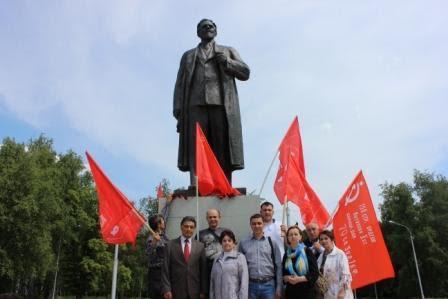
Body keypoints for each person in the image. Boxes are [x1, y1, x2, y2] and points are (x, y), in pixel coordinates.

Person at [173, 18, 250, 185]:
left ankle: (224, 182)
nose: (207, 27)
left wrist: (227, 62)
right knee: (196, 145)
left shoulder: (227, 51)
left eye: (211, 25)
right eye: (203, 26)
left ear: (216, 30)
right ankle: (196, 183)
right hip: (194, 105)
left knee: (221, 144)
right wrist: (178, 111)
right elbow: (179, 84)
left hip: (221, 104)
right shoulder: (188, 56)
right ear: (198, 32)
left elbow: (245, 72)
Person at [161, 216, 208, 299]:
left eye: (191, 227)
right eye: (186, 226)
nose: (188, 229)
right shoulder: (170, 245)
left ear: (194, 229)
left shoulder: (200, 246)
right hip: (175, 291)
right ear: (181, 227)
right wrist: (166, 289)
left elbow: (203, 271)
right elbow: (165, 269)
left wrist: (203, 291)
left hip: (195, 291)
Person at [238, 214, 282, 299]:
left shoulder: (272, 242)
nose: (256, 226)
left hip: (269, 286)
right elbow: (240, 267)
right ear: (250, 225)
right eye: (254, 223)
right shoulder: (243, 243)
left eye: (259, 223)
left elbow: (278, 266)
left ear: (263, 224)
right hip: (250, 286)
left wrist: (279, 287)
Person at [210, 229, 249, 299]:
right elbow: (212, 281)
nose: (227, 243)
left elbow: (244, 282)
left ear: (234, 243)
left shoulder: (240, 257)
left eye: (229, 240)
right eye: (224, 241)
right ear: (221, 243)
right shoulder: (217, 258)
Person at [282, 226, 318, 299]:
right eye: (290, 235)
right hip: (291, 292)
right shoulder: (286, 254)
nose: (293, 236)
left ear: (300, 237)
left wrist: (298, 279)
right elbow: (283, 274)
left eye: (296, 234)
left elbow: (315, 273)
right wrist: (288, 278)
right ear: (288, 238)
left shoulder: (307, 251)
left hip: (307, 292)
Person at [317, 230, 353, 299]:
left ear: (332, 239)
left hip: (340, 293)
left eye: (326, 238)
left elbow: (346, 274)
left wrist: (342, 291)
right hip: (327, 293)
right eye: (321, 239)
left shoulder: (340, 254)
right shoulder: (321, 256)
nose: (323, 241)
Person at [198, 208, 230, 278]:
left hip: (224, 270)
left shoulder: (227, 232)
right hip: (207, 272)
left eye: (215, 217)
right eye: (210, 217)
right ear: (207, 219)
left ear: (219, 218)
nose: (212, 219)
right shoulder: (200, 234)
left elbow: (233, 250)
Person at [147, 214, 170, 299]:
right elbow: (149, 255)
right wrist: (154, 243)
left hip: (165, 273)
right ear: (158, 224)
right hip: (156, 273)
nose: (164, 222)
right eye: (162, 221)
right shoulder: (151, 237)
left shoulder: (164, 236)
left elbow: (165, 215)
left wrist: (167, 203)